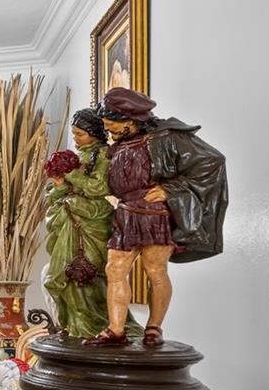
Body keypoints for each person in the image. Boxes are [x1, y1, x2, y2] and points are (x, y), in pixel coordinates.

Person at [83, 88, 228, 347]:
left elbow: (211, 161)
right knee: (114, 269)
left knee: (155, 270)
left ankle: (153, 327)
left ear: (131, 120)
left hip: (155, 214)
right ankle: (116, 330)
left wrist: (169, 189)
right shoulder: (119, 144)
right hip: (126, 214)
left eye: (114, 126)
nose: (110, 132)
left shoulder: (166, 137)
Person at [44, 109, 138, 339]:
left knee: (86, 277)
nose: (75, 138)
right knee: (59, 277)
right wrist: (59, 183)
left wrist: (72, 173)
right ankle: (74, 326)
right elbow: (60, 193)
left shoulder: (104, 155)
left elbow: (99, 188)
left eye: (80, 134)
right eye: (73, 134)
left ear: (94, 134)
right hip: (70, 220)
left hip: (91, 222)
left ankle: (92, 326)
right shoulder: (80, 157)